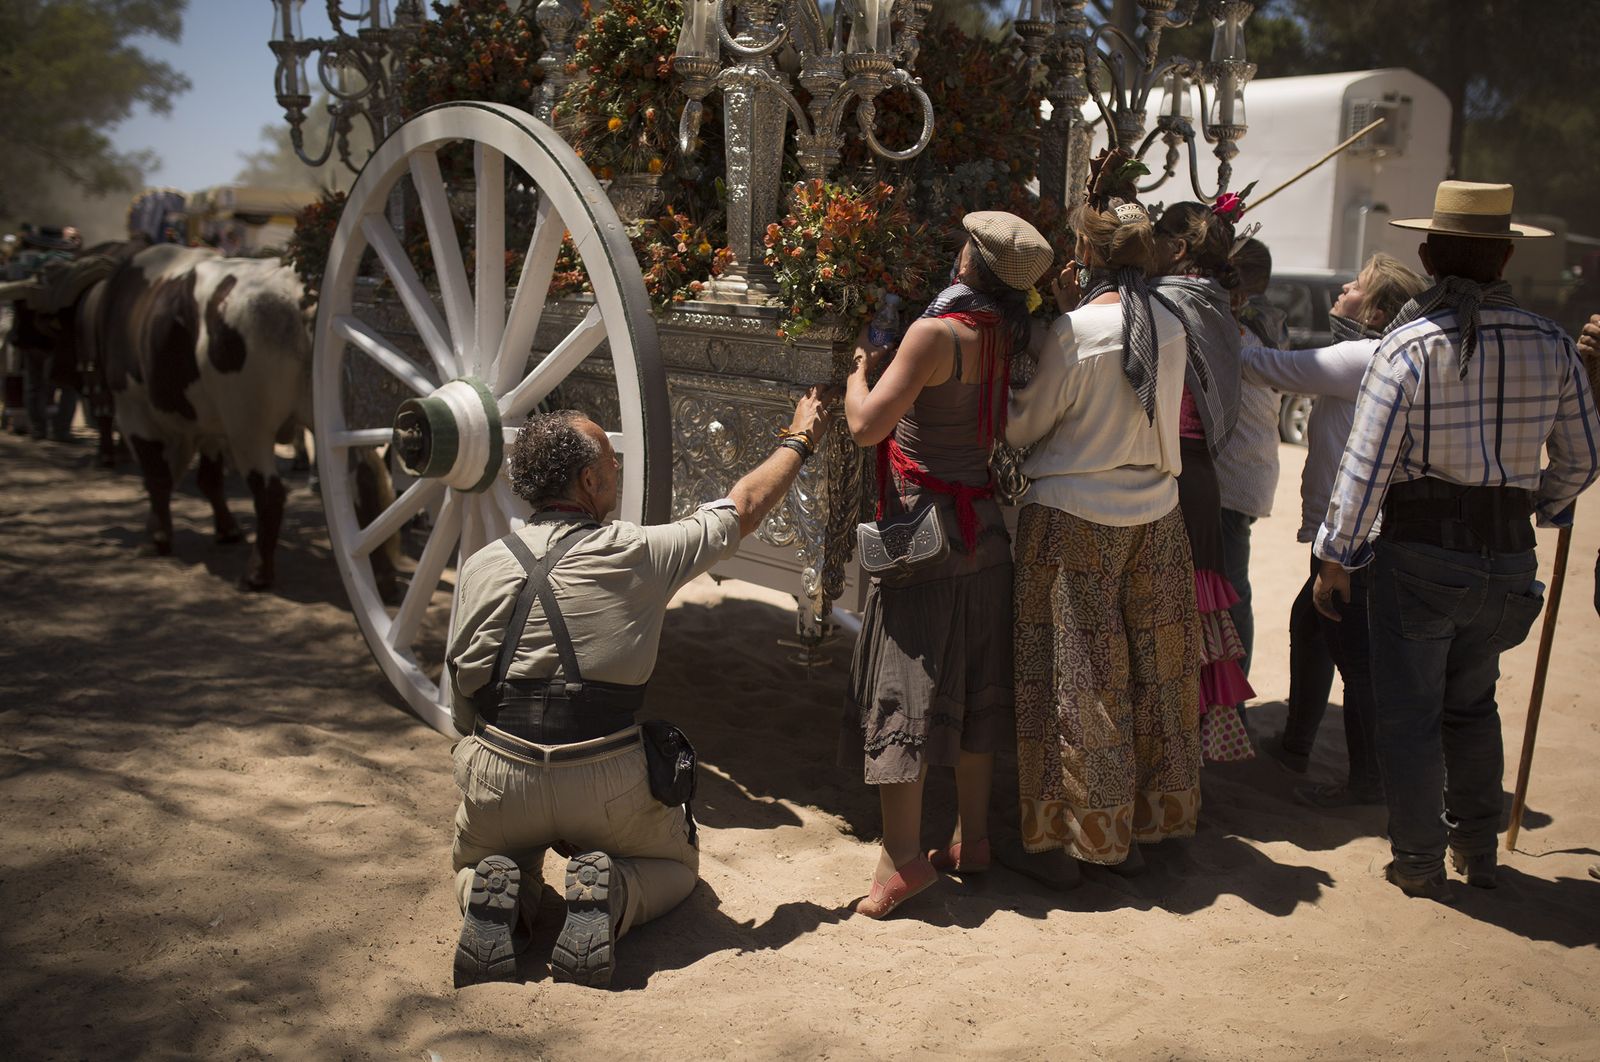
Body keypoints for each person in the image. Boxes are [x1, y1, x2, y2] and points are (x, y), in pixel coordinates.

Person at [446, 392, 829, 987]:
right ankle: (613, 893)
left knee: (477, 859)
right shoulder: (639, 551)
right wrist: (799, 438)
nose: (618, 475)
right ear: (590, 478)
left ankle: (501, 890)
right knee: (676, 868)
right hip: (605, 777)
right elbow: (746, 504)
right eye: (613, 465)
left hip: (503, 769)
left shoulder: (482, 565)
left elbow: (462, 704)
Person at [1313, 181, 1599, 901]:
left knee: (1410, 714)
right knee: (1473, 705)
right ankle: (1478, 850)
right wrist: (1547, 507)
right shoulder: (1551, 343)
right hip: (1507, 560)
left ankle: (1416, 859)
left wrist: (1335, 556)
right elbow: (1582, 458)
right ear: (1505, 256)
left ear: (1430, 256)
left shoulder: (1406, 347)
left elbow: (1366, 466)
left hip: (1420, 557)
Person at [840, 211, 1051, 918]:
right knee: (977, 681)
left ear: (970, 260)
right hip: (985, 532)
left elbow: (869, 425)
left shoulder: (935, 333)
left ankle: (903, 860)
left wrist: (853, 379)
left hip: (922, 536)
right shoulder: (1009, 333)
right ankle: (972, 839)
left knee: (902, 686)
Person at [1006, 169, 1203, 875]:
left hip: (1072, 519)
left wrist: (1044, 336)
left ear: (1084, 257)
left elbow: (1024, 423)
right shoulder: (1171, 322)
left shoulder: (1076, 332)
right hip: (1156, 513)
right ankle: (1149, 822)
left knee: (1079, 680)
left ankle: (1087, 841)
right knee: (1156, 671)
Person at [1243, 253, 1429, 806]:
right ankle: (1298, 743)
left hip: (1350, 540)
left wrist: (1219, 323)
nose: (1345, 288)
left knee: (1356, 659)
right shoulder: (1383, 353)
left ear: (1375, 310)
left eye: (1358, 285)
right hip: (1351, 534)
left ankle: (1366, 781)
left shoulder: (1362, 356)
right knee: (1312, 624)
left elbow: (1265, 366)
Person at [1150, 200, 1255, 762]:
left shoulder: (1162, 304)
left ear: (1179, 248)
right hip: (1199, 478)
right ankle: (1182, 763)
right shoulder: (1216, 307)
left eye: (1157, 236)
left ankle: (1171, 757)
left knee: (1169, 621)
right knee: (1187, 621)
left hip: (1171, 477)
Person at [1215, 237, 1285, 683]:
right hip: (1250, 473)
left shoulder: (1236, 329)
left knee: (1229, 590)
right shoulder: (1270, 322)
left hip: (1231, 479)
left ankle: (1229, 702)